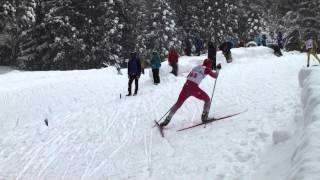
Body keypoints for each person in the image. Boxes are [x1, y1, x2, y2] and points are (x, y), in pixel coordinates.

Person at [159, 59, 221, 127]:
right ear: (209, 65)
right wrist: (217, 69)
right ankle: (204, 117)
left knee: (178, 103)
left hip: (186, 86)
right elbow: (215, 76)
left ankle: (167, 120)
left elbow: (190, 76)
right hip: (194, 88)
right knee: (207, 100)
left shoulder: (196, 67)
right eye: (210, 65)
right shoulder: (207, 69)